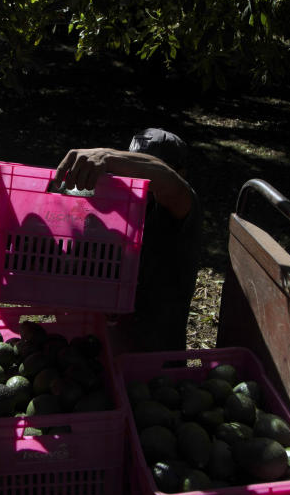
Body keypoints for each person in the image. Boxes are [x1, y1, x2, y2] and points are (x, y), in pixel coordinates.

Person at [51, 128, 203, 353]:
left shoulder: (181, 210)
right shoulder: (118, 208)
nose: (138, 178)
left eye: (142, 168)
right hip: (100, 352)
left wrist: (108, 156)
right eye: (132, 166)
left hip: (154, 364)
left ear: (182, 172)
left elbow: (169, 181)